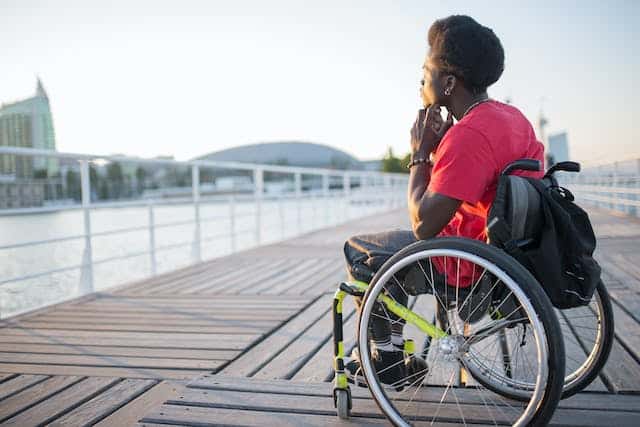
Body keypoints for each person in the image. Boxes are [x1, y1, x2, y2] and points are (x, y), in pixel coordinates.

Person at [344, 15, 545, 388]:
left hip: (464, 264)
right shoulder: (511, 118)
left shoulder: (468, 136)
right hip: (502, 251)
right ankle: (397, 348)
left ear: (448, 81)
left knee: (360, 251)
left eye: (426, 71)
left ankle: (385, 361)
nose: (421, 80)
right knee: (392, 248)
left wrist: (420, 155)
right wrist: (443, 149)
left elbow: (423, 224)